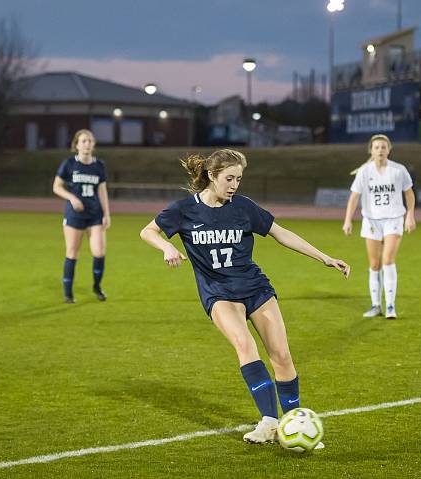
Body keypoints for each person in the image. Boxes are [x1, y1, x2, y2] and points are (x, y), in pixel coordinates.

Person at [140, 149, 350, 445]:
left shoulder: (244, 207)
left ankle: (293, 424)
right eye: (229, 178)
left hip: (255, 288)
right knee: (244, 343)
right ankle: (268, 422)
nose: (235, 185)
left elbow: (281, 233)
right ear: (211, 176)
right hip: (218, 292)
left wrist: (324, 257)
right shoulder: (184, 210)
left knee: (281, 355)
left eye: (238, 178)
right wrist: (167, 247)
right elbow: (148, 231)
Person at [342, 134, 415, 319]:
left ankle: (391, 306)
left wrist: (410, 216)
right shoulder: (364, 171)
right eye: (376, 147)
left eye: (383, 147)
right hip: (372, 221)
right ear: (371, 151)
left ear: (389, 150)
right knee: (374, 264)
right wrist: (348, 220)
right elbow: (354, 197)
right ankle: (376, 305)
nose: (380, 150)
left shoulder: (399, 170)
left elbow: (409, 194)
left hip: (394, 219)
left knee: (388, 260)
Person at [53, 129, 111, 303]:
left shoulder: (99, 165)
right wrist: (72, 198)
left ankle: (97, 287)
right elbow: (57, 187)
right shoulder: (69, 164)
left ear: (93, 144)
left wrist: (107, 213)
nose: (87, 144)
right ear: (76, 144)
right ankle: (68, 294)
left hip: (95, 214)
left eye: (90, 141)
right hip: (75, 215)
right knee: (72, 252)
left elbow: (102, 191)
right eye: (84, 141)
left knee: (99, 252)